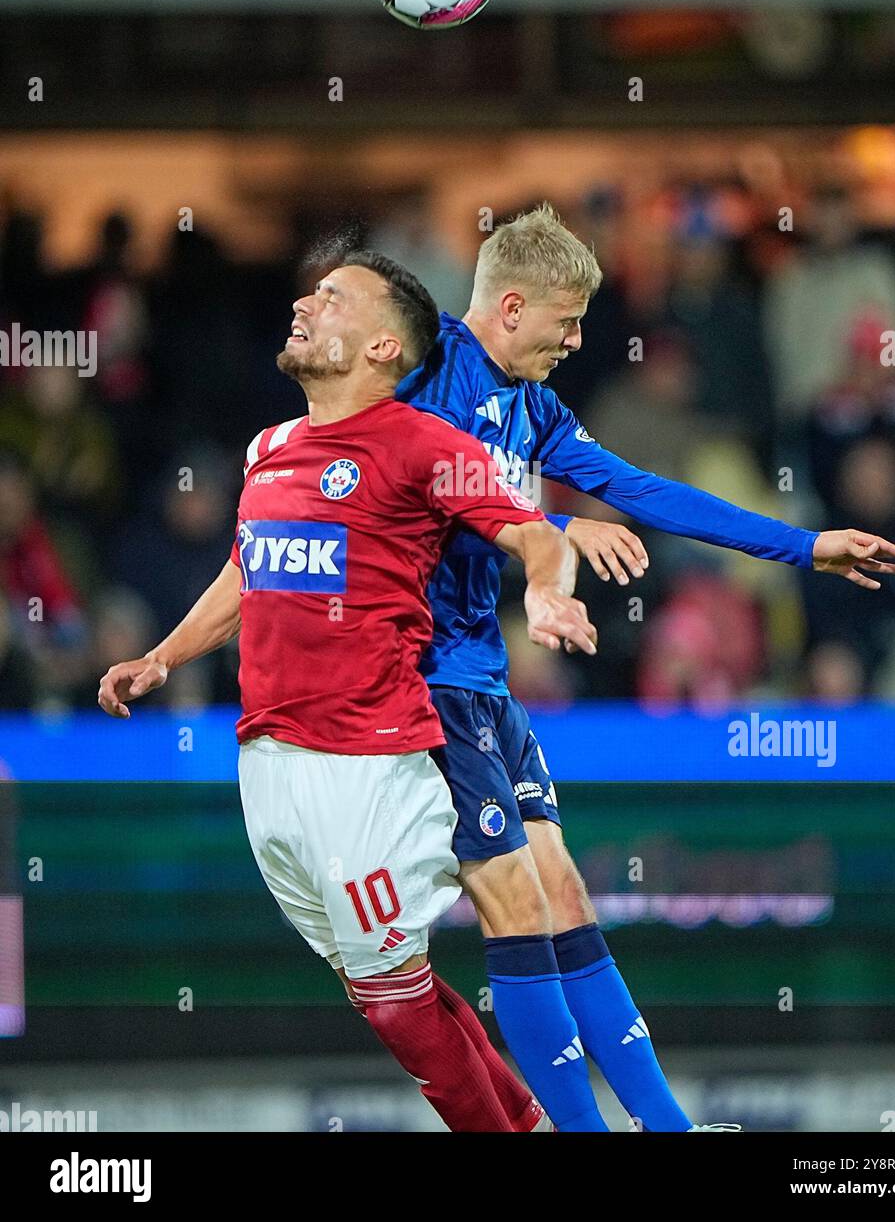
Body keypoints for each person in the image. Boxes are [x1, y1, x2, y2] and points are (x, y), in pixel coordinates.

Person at [397, 202, 895, 1132]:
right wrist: (556, 529)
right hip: (417, 677)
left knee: (560, 890)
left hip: (478, 679)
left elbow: (642, 491)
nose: (578, 340)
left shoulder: (531, 406)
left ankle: (663, 1129)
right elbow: (411, 501)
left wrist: (803, 546)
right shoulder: (422, 371)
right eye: (566, 320)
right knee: (513, 902)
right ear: (510, 307)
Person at [98, 247, 601, 1133]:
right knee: (386, 995)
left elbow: (529, 532)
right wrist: (164, 658)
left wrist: (549, 587)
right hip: (266, 764)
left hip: (367, 762)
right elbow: (248, 570)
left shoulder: (423, 444)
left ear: (379, 347)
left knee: (400, 1007)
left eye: (332, 298)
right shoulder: (271, 448)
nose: (304, 302)